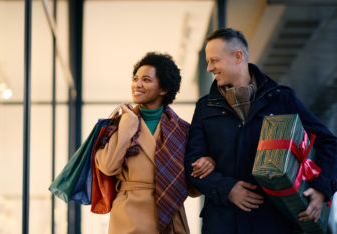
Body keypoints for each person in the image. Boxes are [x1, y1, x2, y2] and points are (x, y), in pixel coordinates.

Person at [184, 28, 337, 233]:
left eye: (214, 60)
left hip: (274, 223)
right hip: (224, 224)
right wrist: (227, 189)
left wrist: (321, 190)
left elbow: (329, 143)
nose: (209, 67)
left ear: (238, 56)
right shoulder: (205, 107)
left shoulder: (282, 98)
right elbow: (191, 163)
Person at [95, 52, 215, 234]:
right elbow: (108, 166)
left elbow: (193, 188)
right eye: (135, 79)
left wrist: (209, 163)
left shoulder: (183, 130)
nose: (138, 84)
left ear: (163, 89)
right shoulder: (118, 125)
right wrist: (127, 129)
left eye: (146, 80)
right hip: (129, 219)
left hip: (171, 218)